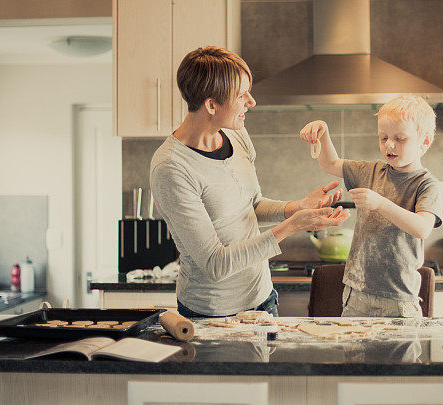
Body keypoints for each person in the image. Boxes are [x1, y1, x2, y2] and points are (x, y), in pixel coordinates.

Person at [150, 46, 349, 318]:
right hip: (212, 313)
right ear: (211, 105)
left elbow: (251, 205)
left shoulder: (237, 134)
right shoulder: (171, 168)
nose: (251, 101)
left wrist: (298, 207)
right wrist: (292, 226)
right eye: (242, 95)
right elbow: (214, 264)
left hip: (263, 299)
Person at [299, 96, 443, 318]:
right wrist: (324, 132)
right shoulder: (371, 171)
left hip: (399, 299)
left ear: (425, 141)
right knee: (354, 352)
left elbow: (422, 228)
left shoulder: (426, 184)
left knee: (399, 354)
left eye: (400, 138)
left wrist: (380, 203)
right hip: (356, 294)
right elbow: (330, 163)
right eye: (383, 137)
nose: (389, 145)